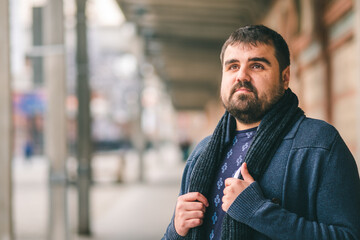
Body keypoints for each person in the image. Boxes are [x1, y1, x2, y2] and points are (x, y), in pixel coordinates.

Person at [162, 25, 360, 240]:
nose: (242, 76)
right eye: (233, 66)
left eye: (256, 66)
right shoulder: (202, 152)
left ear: (285, 78)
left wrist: (258, 212)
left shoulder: (319, 144)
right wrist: (176, 229)